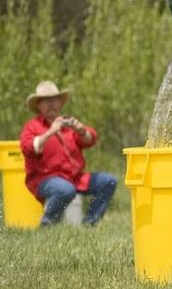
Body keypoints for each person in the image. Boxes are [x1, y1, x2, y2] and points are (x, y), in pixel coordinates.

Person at [20, 80, 117, 226]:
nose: (51, 104)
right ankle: (48, 224)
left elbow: (91, 139)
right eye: (46, 101)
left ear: (60, 103)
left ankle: (90, 222)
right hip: (44, 180)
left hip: (75, 178)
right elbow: (28, 147)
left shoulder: (67, 124)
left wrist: (81, 130)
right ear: (39, 106)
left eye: (54, 100)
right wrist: (50, 132)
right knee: (65, 189)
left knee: (108, 181)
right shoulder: (33, 126)